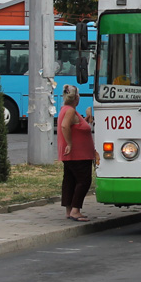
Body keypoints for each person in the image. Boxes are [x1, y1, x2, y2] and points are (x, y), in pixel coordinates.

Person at [57, 84, 98, 221]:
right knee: (83, 181)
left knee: (70, 181)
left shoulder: (65, 109)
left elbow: (75, 127)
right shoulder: (70, 111)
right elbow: (65, 126)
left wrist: (86, 120)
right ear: (76, 98)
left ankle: (69, 210)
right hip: (78, 154)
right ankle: (76, 210)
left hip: (71, 154)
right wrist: (69, 143)